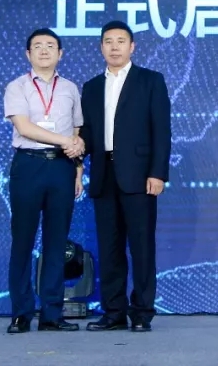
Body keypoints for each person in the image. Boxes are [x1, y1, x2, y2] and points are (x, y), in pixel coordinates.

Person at [79, 20, 172, 332]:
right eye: (108, 41)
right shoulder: (92, 87)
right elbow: (88, 132)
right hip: (104, 175)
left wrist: (157, 173)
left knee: (142, 248)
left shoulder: (150, 81)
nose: (114, 47)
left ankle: (142, 312)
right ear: (101, 47)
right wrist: (75, 146)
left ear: (132, 47)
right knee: (109, 249)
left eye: (121, 41)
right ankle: (114, 312)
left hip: (140, 177)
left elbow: (162, 131)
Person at [2, 28, 86, 334]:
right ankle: (21, 313)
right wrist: (66, 141)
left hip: (62, 168)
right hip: (29, 165)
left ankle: (52, 314)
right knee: (22, 241)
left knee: (56, 242)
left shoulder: (70, 88)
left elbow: (77, 131)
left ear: (60, 53)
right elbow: (24, 127)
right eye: (37, 46)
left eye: (50, 45)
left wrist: (78, 168)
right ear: (28, 54)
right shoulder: (17, 87)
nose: (44, 50)